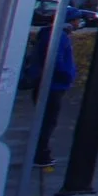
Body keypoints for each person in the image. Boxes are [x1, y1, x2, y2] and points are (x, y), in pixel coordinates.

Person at [28, 17, 74, 167]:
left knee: (44, 119)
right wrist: (67, 75)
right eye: (76, 19)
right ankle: (40, 154)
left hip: (48, 84)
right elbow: (57, 61)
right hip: (53, 85)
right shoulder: (59, 37)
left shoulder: (50, 34)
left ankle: (39, 152)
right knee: (48, 121)